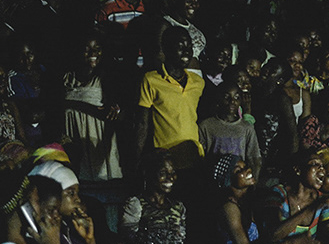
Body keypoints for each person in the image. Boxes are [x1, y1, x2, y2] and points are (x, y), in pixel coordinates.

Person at [134, 27, 205, 168]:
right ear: (165, 49)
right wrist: (137, 161)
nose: (186, 51)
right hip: (165, 160)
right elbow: (142, 124)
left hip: (193, 158)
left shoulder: (198, 82)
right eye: (180, 46)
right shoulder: (151, 80)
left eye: (189, 46)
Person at [61, 34, 122, 181]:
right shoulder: (67, 78)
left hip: (97, 142)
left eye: (97, 49)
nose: (93, 54)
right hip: (73, 142)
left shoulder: (105, 78)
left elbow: (108, 113)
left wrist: (71, 105)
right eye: (87, 49)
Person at [201, 83, 262, 183]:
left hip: (239, 180)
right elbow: (201, 159)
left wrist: (252, 181)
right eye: (226, 97)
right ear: (218, 99)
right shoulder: (207, 126)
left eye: (237, 97)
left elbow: (254, 158)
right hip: (214, 180)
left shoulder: (246, 128)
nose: (232, 101)